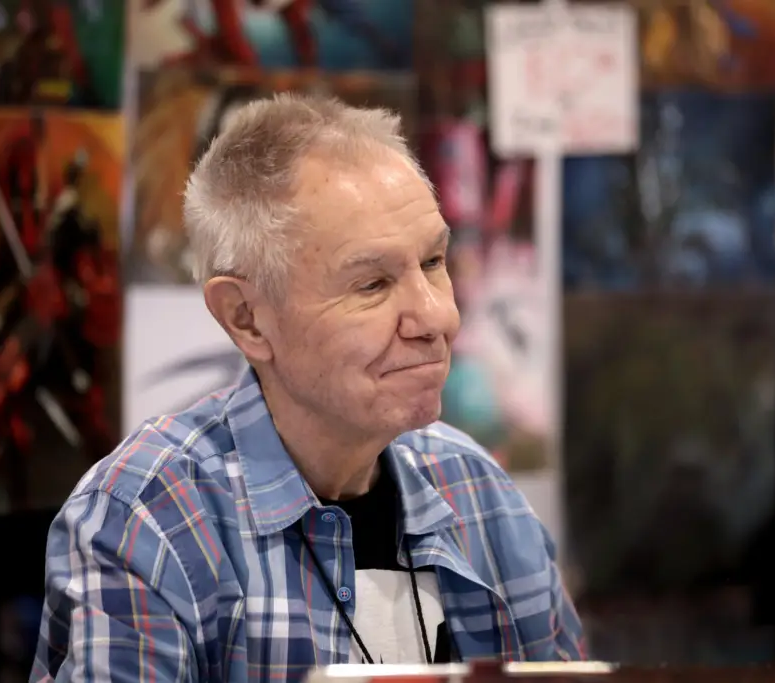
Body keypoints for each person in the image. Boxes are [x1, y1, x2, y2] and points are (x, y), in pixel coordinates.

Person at [30, 94, 587, 683]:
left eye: (433, 262)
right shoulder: (148, 520)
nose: (438, 317)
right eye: (372, 285)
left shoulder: (480, 494)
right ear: (247, 319)